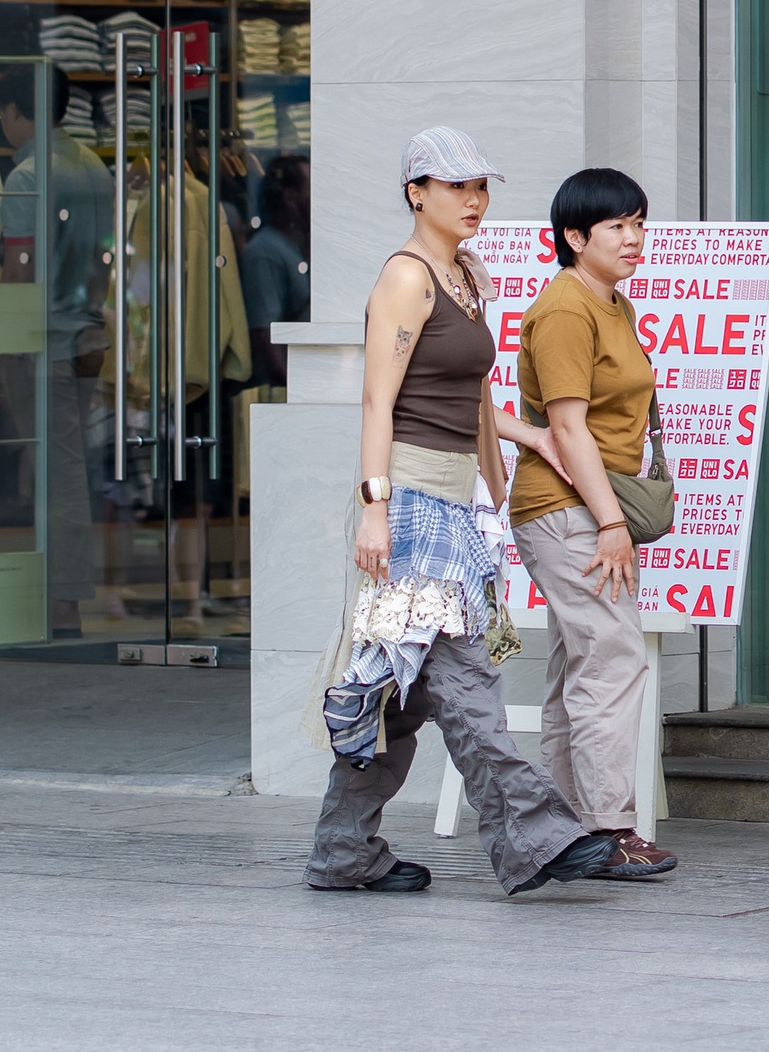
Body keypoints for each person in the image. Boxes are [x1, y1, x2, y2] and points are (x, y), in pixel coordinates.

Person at [302, 127, 651, 896]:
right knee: (464, 684)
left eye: (481, 187)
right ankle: (539, 838)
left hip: (456, 504)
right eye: (455, 186)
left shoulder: (466, 276)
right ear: (414, 191)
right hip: (411, 502)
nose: (474, 200)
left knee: (394, 696)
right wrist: (374, 508)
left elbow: (474, 400)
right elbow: (376, 401)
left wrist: (520, 453)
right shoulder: (407, 278)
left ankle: (342, 853)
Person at [508, 167, 679, 876]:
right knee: (611, 661)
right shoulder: (566, 310)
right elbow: (568, 429)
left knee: (579, 667)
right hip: (568, 507)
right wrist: (611, 523)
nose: (634, 238)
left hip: (583, 503)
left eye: (639, 222)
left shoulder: (612, 304)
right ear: (575, 237)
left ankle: (566, 831)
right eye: (616, 226)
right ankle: (608, 829)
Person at [0, 66, 111, 638]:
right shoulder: (94, 167)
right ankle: (54, 594)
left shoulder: (26, 176)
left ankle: (61, 602)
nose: (3, 125)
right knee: (65, 467)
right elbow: (107, 261)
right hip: (89, 334)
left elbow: (21, 273)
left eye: (4, 114)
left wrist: (2, 349)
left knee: (56, 472)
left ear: (20, 111)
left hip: (48, 341)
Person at [242, 155, 311, 388]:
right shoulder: (265, 252)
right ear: (290, 198)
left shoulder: (297, 247)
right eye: (312, 189)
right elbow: (264, 334)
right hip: (282, 393)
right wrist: (291, 387)